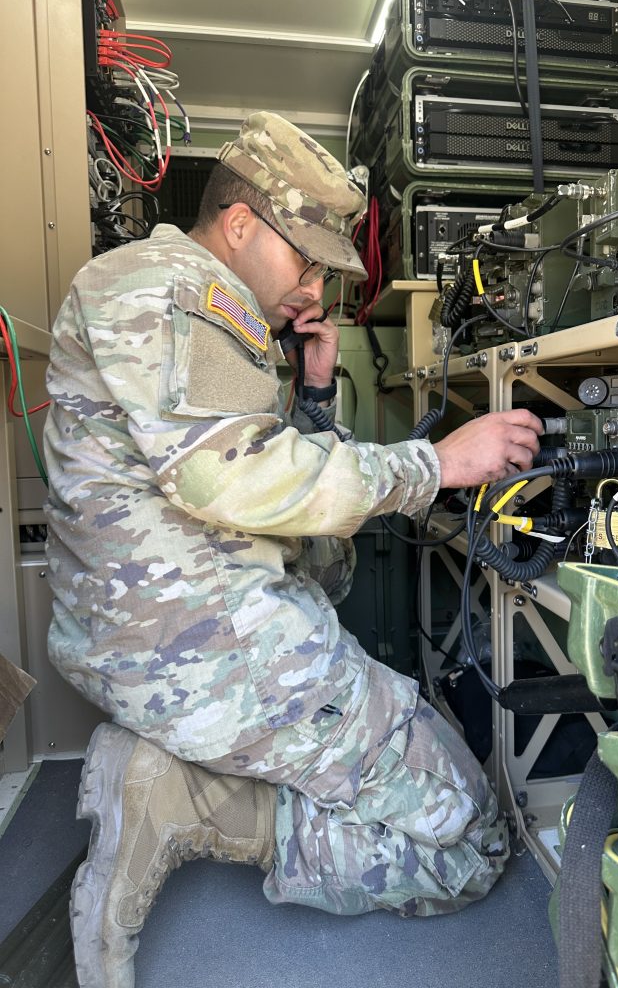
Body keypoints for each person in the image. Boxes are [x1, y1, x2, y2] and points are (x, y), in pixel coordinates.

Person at [44, 111, 543, 987]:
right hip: (214, 653)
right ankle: (187, 800)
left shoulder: (183, 298)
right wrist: (438, 463)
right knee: (473, 839)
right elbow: (229, 480)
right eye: (306, 260)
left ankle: (178, 770)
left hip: (168, 637)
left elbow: (265, 501)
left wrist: (311, 401)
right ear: (239, 225)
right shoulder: (177, 288)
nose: (317, 289)